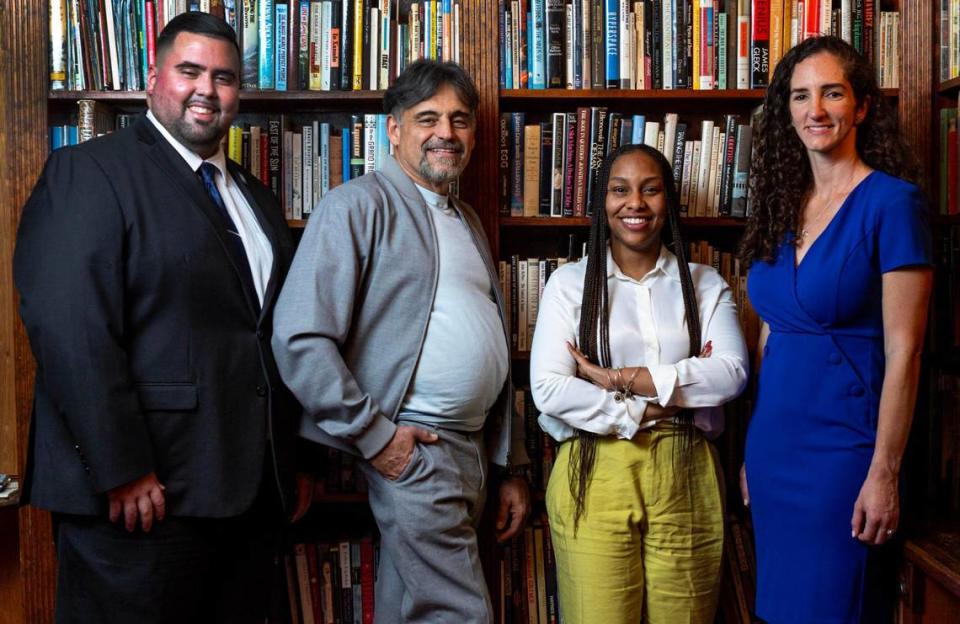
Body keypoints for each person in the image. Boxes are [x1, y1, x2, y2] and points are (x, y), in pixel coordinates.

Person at [14, 12, 308, 623]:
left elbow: (269, 338)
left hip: (247, 498)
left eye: (224, 77)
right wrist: (122, 468)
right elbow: (71, 330)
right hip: (142, 500)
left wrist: (291, 462)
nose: (208, 89)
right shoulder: (90, 172)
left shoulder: (253, 195)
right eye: (190, 71)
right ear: (154, 79)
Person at [271, 59, 531, 624]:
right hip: (418, 449)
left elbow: (487, 344)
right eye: (428, 118)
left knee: (410, 608)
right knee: (458, 614)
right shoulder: (354, 205)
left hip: (472, 452)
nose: (447, 133)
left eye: (460, 120)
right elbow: (299, 337)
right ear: (394, 129)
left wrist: (509, 465)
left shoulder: (465, 218)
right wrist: (375, 436)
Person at [740, 36, 933, 623]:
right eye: (801, 96)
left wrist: (884, 473)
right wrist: (753, 445)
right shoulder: (782, 204)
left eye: (831, 93)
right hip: (775, 449)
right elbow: (771, 337)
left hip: (846, 452)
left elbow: (906, 351)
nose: (815, 110)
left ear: (862, 105)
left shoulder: (893, 204)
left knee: (832, 610)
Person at [529, 143, 749, 624]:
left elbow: (731, 372)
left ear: (668, 201)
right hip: (594, 466)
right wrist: (649, 406)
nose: (635, 203)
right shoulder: (569, 285)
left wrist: (617, 380)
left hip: (687, 470)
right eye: (619, 190)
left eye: (651, 190)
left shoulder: (705, 283)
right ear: (601, 202)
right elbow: (549, 388)